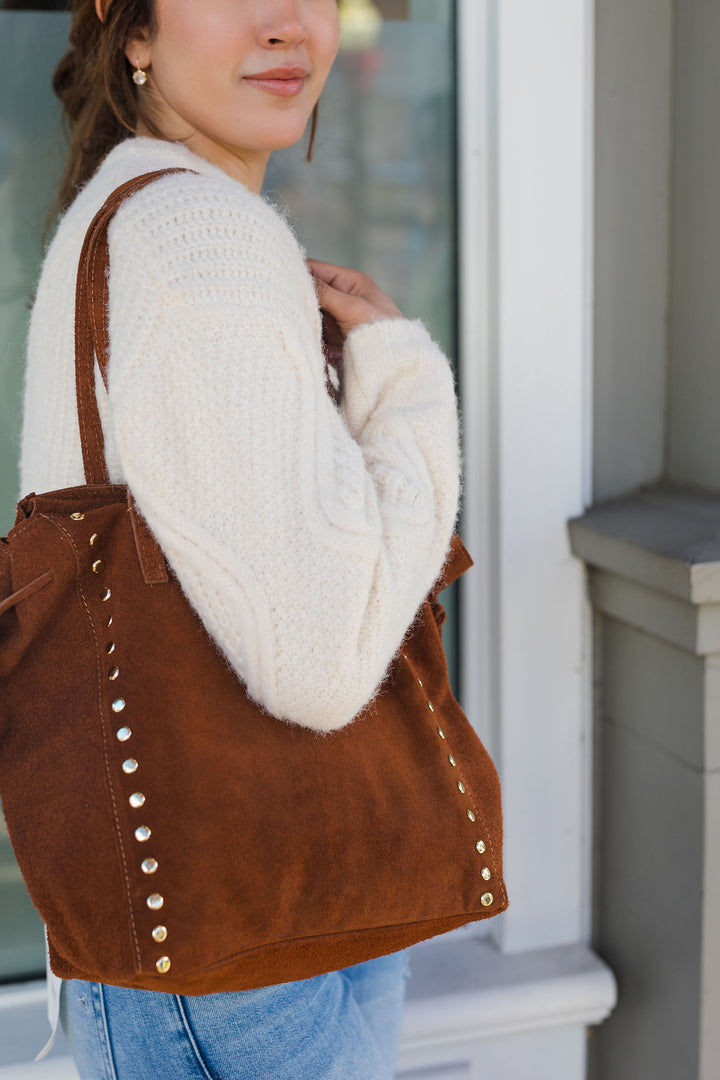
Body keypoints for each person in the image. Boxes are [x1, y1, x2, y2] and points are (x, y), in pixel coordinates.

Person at [20, 1, 461, 1077]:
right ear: (131, 32)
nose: (285, 23)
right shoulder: (204, 236)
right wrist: (404, 386)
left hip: (245, 922)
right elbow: (320, 663)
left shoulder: (121, 209)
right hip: (242, 956)